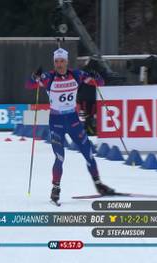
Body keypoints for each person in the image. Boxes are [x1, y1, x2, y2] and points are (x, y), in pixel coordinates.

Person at [26, 48, 115, 204]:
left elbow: (100, 83)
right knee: (60, 157)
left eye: (62, 61)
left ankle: (99, 184)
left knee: (88, 153)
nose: (59, 64)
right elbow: (29, 85)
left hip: (73, 120)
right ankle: (55, 188)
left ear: (67, 61)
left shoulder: (77, 75)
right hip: (56, 122)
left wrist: (96, 76)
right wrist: (35, 76)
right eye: (56, 61)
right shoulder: (48, 77)